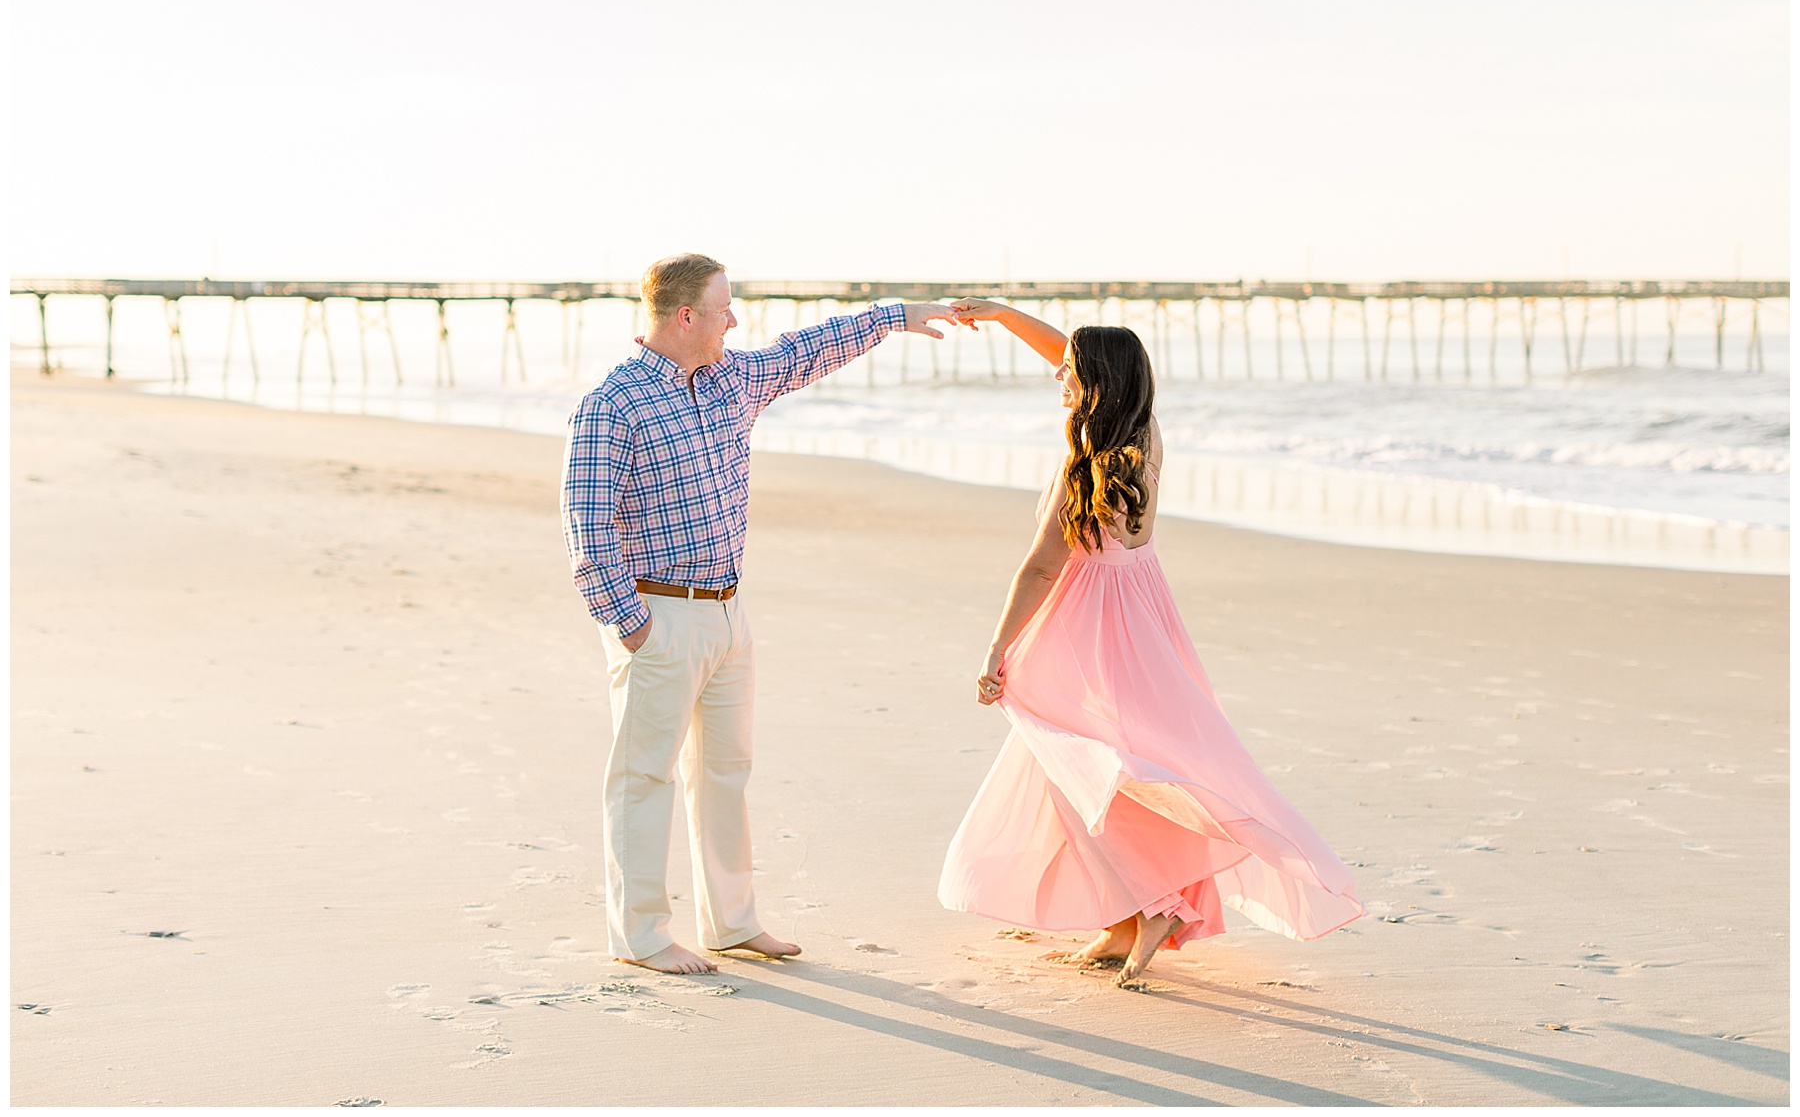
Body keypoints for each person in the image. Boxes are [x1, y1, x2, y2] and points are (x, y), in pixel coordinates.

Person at [937, 297, 1365, 986]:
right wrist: (1005, 315)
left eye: (1069, 371)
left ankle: (1154, 903)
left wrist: (994, 651)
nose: (1058, 377)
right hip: (1143, 616)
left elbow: (1043, 566)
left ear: (1094, 383)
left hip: (1087, 628)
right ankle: (1125, 918)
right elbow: (1068, 352)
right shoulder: (1144, 435)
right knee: (1121, 768)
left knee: (1088, 770)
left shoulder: (1082, 464)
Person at [562, 253, 955, 975]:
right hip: (658, 614)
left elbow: (805, 351)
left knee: (725, 772)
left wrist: (898, 316)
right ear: (686, 317)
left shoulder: (731, 378)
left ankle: (732, 922)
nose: (735, 321)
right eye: (724, 309)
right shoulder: (612, 403)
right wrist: (632, 626)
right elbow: (588, 529)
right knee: (644, 775)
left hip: (728, 611)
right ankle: (642, 934)